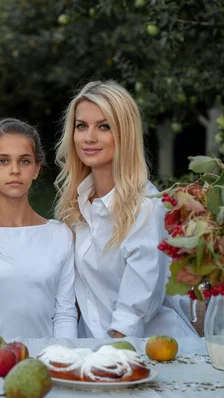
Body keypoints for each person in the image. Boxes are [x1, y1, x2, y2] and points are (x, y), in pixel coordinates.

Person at [54, 80, 197, 339]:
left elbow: (132, 315)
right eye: (81, 126)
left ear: (124, 133)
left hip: (154, 353)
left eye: (104, 126)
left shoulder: (145, 207)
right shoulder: (75, 207)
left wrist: (105, 364)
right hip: (95, 350)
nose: (89, 137)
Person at [0, 118, 77, 339]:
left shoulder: (60, 235)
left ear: (36, 169)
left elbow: (65, 315)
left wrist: (62, 359)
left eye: (24, 161)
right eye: (3, 161)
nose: (15, 170)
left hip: (47, 362)